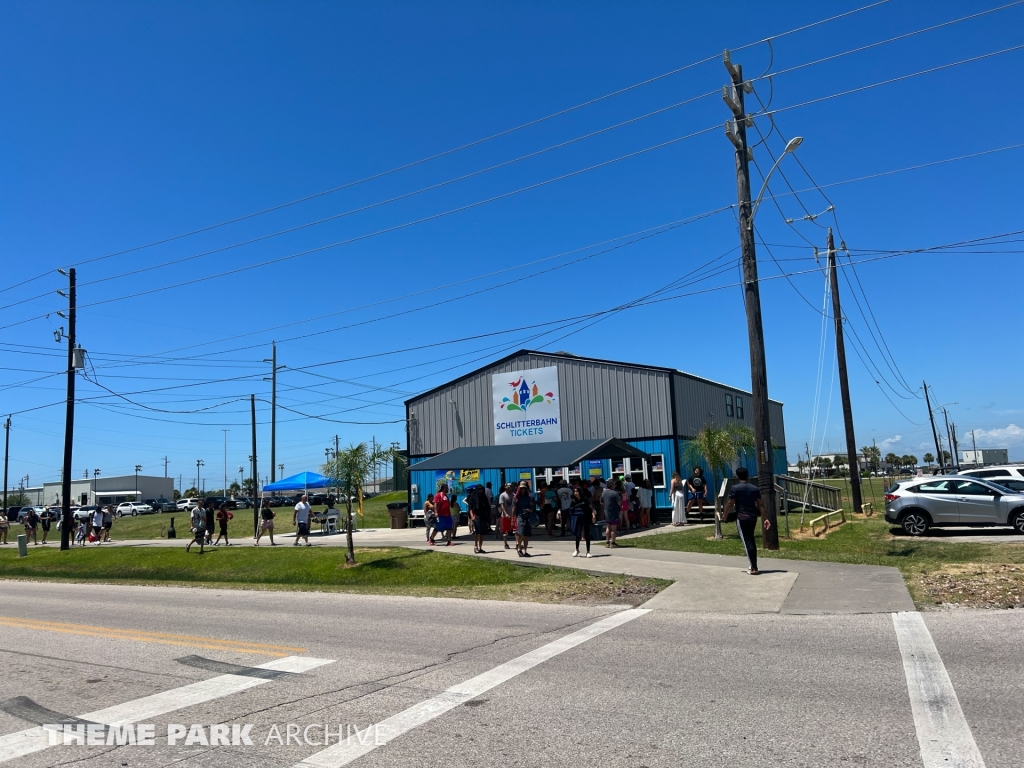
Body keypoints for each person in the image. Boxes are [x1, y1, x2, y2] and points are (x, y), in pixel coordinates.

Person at [723, 466, 771, 575]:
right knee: (751, 540)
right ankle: (753, 565)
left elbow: (730, 503)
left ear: (737, 476)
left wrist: (724, 515)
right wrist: (766, 518)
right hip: (753, 518)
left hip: (742, 518)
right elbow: (760, 504)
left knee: (747, 541)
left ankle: (753, 568)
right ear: (747, 476)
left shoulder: (735, 488)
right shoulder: (754, 488)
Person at [570, 485, 593, 557]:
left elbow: (591, 507)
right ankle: (577, 549)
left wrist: (593, 515)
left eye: (576, 491)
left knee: (587, 534)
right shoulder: (573, 501)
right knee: (578, 535)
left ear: (580, 492)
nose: (575, 493)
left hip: (585, 517)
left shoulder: (585, 499)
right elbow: (571, 510)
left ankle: (588, 552)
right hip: (577, 519)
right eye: (574, 492)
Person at [514, 482, 533, 556]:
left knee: (526, 535)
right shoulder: (516, 497)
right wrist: (512, 518)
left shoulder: (528, 497)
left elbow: (531, 505)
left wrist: (531, 509)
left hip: (527, 517)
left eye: (524, 488)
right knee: (520, 534)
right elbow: (513, 508)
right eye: (521, 488)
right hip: (519, 516)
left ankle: (525, 551)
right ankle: (519, 548)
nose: (523, 490)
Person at [602, 480, 622, 548]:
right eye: (614, 485)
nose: (615, 486)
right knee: (613, 528)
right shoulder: (615, 493)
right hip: (614, 512)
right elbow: (619, 503)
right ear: (612, 485)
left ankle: (607, 542)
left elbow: (601, 502)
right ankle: (613, 543)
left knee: (608, 527)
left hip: (606, 512)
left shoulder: (603, 493)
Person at [469, 486, 488, 554]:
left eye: (481, 489)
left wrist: (489, 515)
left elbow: (487, 506)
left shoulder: (484, 497)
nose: (480, 490)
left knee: (482, 533)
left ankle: (480, 547)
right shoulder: (473, 497)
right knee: (477, 532)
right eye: (479, 489)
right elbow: (470, 508)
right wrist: (472, 516)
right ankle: (475, 546)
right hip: (476, 516)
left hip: (483, 516)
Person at [498, 482, 515, 550]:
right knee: (505, 531)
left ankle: (518, 543)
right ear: (505, 488)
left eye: (510, 487)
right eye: (507, 487)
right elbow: (501, 505)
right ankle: (505, 544)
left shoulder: (514, 495)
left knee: (516, 530)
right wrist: (505, 513)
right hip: (505, 516)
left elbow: (515, 505)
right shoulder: (502, 495)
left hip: (512, 515)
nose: (509, 488)